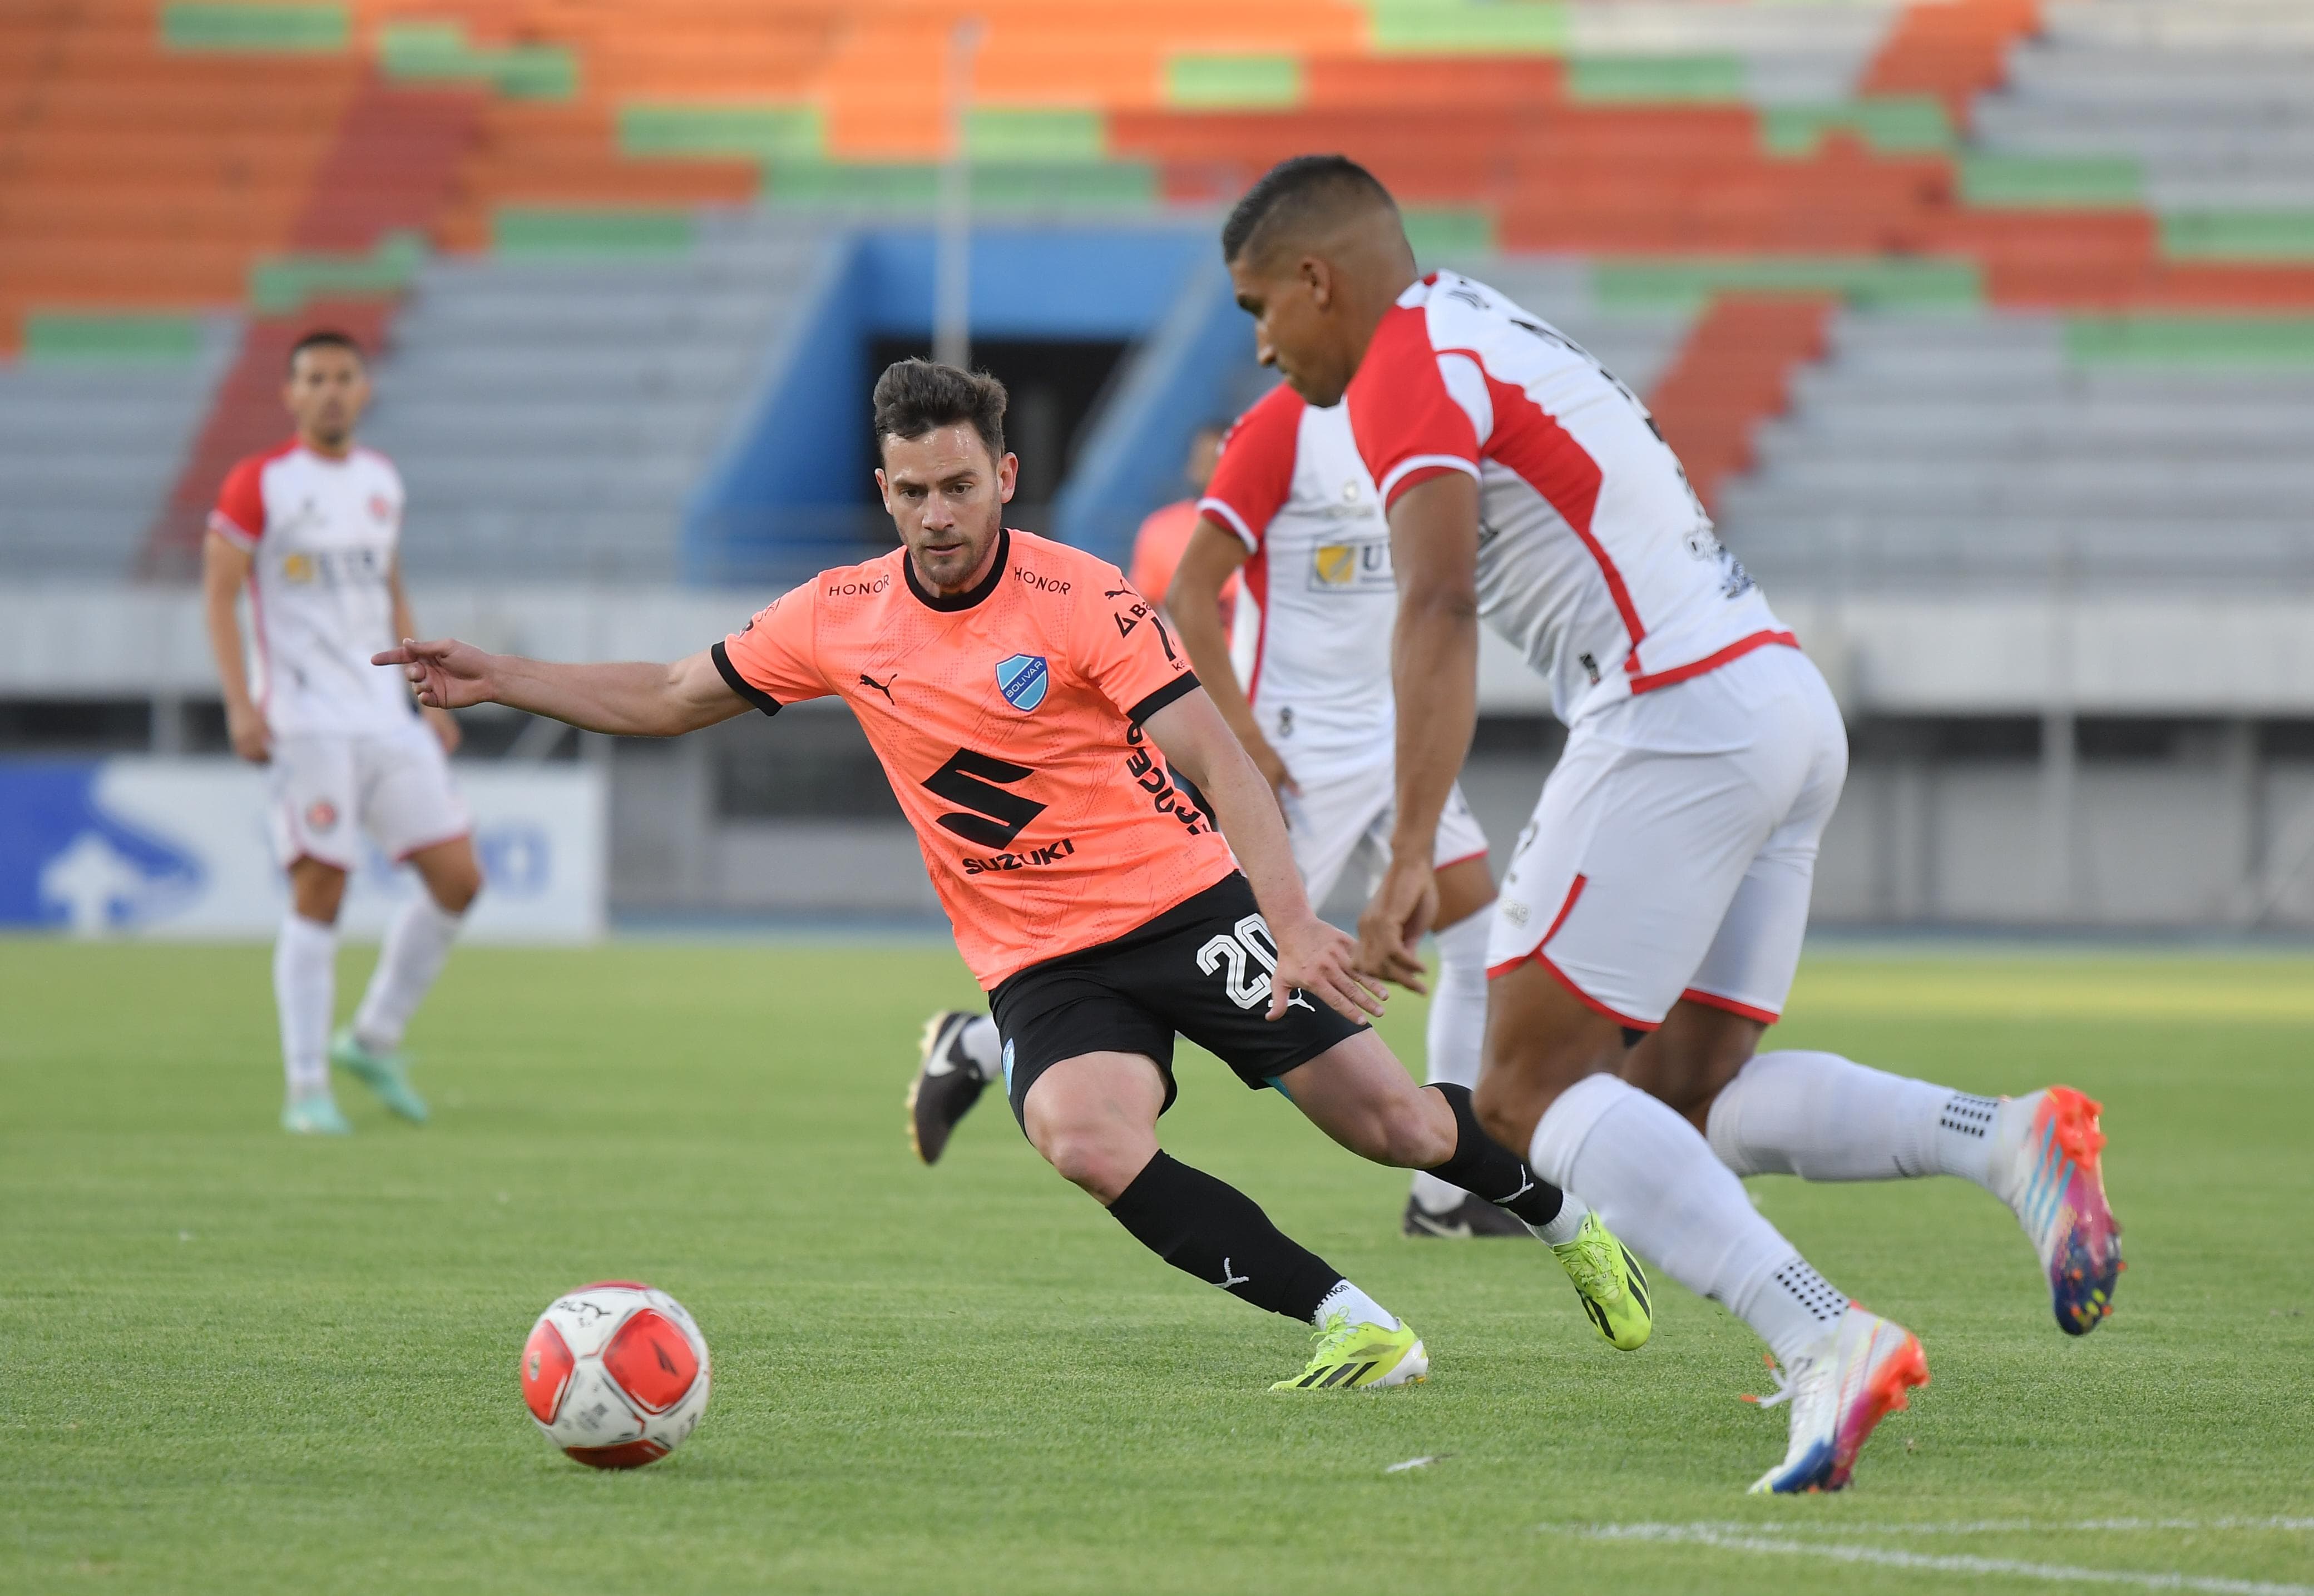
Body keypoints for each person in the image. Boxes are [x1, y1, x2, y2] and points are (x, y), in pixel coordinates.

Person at [377, 359, 1652, 1388]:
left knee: (1402, 1129)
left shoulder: (1081, 597)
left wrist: (1289, 922)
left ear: (1006, 477)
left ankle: (1562, 1218)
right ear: (883, 489)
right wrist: (500, 677)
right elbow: (665, 692)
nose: (938, 515)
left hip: (1187, 906)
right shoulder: (835, 613)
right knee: (1082, 1138)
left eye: (959, 487)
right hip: (1039, 959)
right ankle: (1356, 1324)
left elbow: (1222, 760)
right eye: (913, 491)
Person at [1220, 155, 2123, 1491]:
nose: (1259, 345)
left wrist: (1408, 852)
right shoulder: (1480, 320)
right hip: (1775, 694)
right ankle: (2005, 1138)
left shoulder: (1405, 358)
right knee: (1679, 1098)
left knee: (1526, 1095)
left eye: (1260, 307)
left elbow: (1438, 606)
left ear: (1318, 279)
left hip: (1673, 711)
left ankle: (1825, 1336)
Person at [909, 385, 1541, 1253]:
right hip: (1295, 748)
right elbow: (1187, 600)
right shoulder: (1279, 438)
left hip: (1388, 737)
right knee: (1231, 972)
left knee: (1477, 932)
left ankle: (1447, 1192)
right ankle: (986, 1045)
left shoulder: (1414, 439)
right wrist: (1241, 734)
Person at [202, 329, 482, 1136]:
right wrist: (241, 704)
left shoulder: (380, 480)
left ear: (364, 391)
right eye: (314, 378)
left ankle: (372, 1037)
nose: (330, 390)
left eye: (343, 377)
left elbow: (388, 585)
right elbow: (218, 595)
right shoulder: (262, 484)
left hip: (381, 716)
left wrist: (427, 694)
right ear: (290, 395)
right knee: (320, 889)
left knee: (459, 879)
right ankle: (304, 1087)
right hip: (305, 722)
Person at [1124, 421, 1229, 610]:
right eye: (1205, 461)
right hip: (1181, 639)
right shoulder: (1161, 530)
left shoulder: (1271, 527)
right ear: (1191, 466)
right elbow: (1143, 609)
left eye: (1219, 460)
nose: (1212, 471)